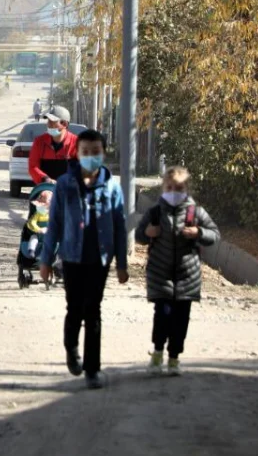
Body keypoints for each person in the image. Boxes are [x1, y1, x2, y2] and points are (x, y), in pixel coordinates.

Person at [40, 129, 129, 389]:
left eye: (96, 152)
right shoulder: (66, 185)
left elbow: (120, 226)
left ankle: (92, 369)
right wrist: (45, 261)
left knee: (94, 312)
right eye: (85, 152)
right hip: (72, 258)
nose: (90, 156)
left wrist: (121, 264)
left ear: (103, 154)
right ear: (77, 154)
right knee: (75, 308)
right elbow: (54, 224)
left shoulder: (112, 187)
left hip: (100, 260)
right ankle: (71, 349)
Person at [135, 166, 220, 376]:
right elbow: (139, 236)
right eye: (170, 187)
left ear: (187, 189)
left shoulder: (195, 212)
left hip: (187, 277)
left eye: (179, 188)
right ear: (163, 188)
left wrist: (198, 232)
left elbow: (214, 234)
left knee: (181, 321)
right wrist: (148, 232)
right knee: (162, 317)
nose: (174, 191)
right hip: (160, 276)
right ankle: (157, 353)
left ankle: (174, 357)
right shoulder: (154, 212)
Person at [27, 105, 77, 187]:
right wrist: (45, 179)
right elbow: (33, 166)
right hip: (45, 188)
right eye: (48, 121)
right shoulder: (39, 142)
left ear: (64, 124)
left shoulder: (76, 143)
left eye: (53, 121)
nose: (48, 124)